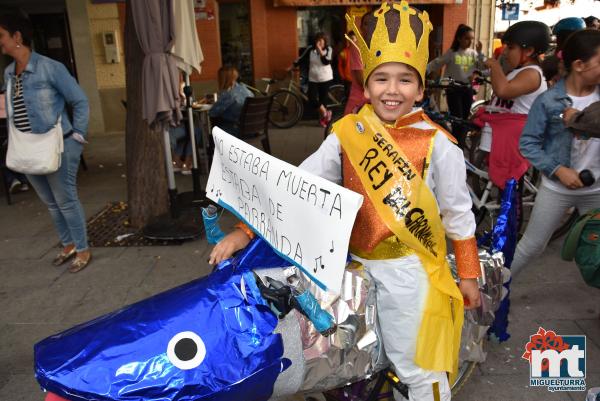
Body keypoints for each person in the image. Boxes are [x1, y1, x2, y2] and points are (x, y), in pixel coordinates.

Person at [210, 2, 481, 400]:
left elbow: (458, 214)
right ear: (365, 84)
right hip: (348, 269)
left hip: (409, 273)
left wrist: (470, 276)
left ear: (421, 87)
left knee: (416, 366)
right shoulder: (347, 133)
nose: (392, 90)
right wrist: (244, 231)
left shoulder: (438, 145)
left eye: (405, 80)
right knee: (350, 362)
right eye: (381, 78)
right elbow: (297, 184)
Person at [1, 12, 91, 272]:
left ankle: (82, 249)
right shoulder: (9, 72)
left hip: (58, 145)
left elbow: (80, 101)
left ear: (17, 37)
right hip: (27, 148)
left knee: (66, 200)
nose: (1, 42)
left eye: (2, 36)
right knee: (51, 203)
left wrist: (77, 137)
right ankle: (68, 244)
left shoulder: (50, 68)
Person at [512, 29, 600, 276]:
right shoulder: (549, 100)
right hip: (557, 189)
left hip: (596, 189)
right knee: (531, 247)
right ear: (580, 65)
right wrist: (558, 170)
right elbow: (528, 143)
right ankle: (492, 294)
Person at [476, 21, 550, 189]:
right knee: (499, 182)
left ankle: (511, 215)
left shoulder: (532, 73)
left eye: (510, 47)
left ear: (529, 51)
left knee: (509, 188)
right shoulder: (518, 71)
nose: (505, 52)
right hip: (500, 134)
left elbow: (503, 90)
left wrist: (495, 66)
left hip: (513, 138)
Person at [427, 24, 486, 147]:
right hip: (454, 89)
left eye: (471, 39)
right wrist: (424, 70)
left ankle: (461, 144)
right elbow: (437, 62)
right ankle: (455, 144)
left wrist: (480, 53)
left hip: (467, 89)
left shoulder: (473, 53)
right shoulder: (452, 53)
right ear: (459, 38)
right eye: (466, 38)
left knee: (464, 120)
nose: (469, 42)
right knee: (456, 119)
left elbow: (484, 66)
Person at [293, 33, 334, 127]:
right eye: (318, 40)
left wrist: (320, 51)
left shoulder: (329, 49)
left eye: (321, 40)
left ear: (324, 41)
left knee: (323, 100)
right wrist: (292, 66)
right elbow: (301, 59)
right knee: (312, 98)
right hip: (313, 79)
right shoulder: (310, 49)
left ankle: (323, 120)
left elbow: (326, 62)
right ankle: (326, 113)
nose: (319, 42)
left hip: (325, 78)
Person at [208, 65, 253, 138]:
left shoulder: (229, 94)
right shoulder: (246, 90)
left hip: (235, 130)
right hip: (252, 129)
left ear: (223, 79)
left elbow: (212, 113)